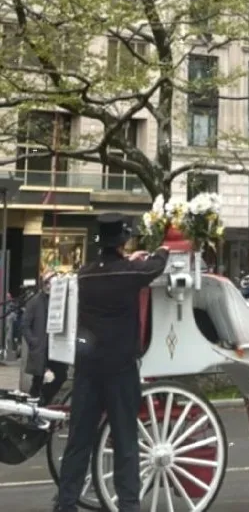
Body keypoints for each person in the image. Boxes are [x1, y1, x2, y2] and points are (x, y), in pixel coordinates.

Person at [54, 213, 169, 512]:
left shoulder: (86, 274)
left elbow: (119, 270)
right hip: (119, 368)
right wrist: (162, 250)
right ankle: (128, 505)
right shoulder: (128, 272)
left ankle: (66, 503)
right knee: (125, 441)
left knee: (79, 440)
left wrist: (130, 259)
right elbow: (155, 267)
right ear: (123, 242)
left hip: (88, 368)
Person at [22, 271, 68, 404]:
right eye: (48, 282)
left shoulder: (59, 300)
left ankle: (43, 400)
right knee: (38, 378)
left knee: (60, 376)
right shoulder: (35, 301)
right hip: (41, 347)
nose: (51, 286)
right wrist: (33, 342)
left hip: (55, 346)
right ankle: (34, 404)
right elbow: (25, 325)